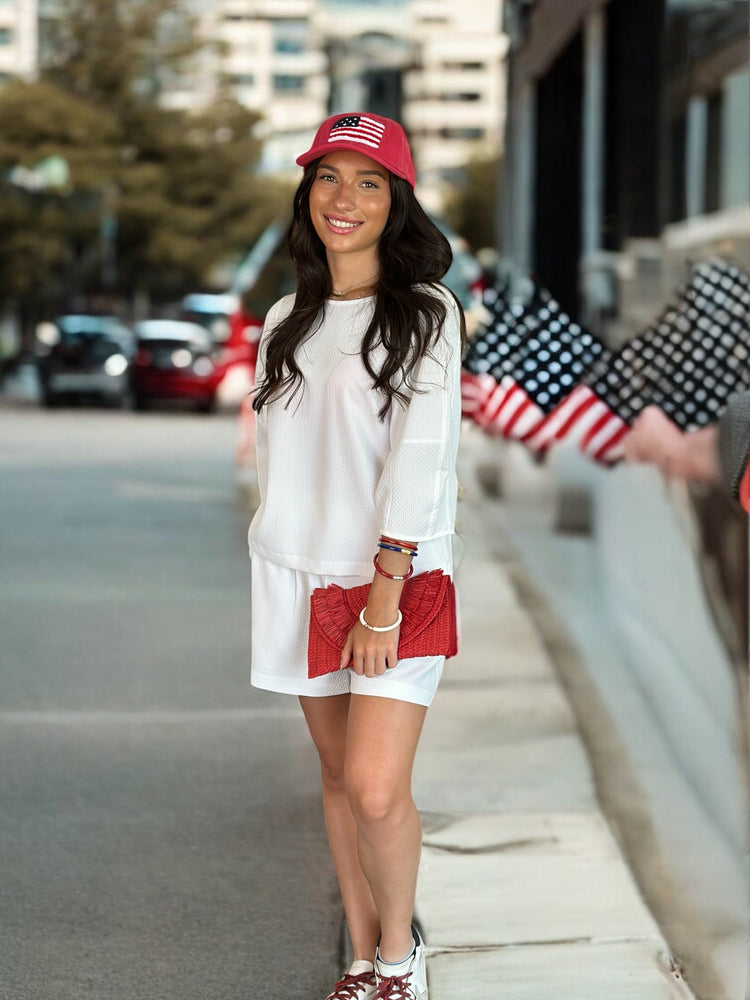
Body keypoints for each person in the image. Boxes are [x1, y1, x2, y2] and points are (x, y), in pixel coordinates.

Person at [248, 112, 465, 1000]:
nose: (344, 197)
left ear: (396, 200)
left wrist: (383, 598)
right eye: (328, 177)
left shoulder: (425, 313)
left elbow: (422, 458)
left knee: (377, 787)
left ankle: (403, 958)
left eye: (368, 181)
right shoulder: (284, 320)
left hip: (394, 580)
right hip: (300, 574)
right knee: (338, 779)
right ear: (308, 193)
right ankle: (363, 958)